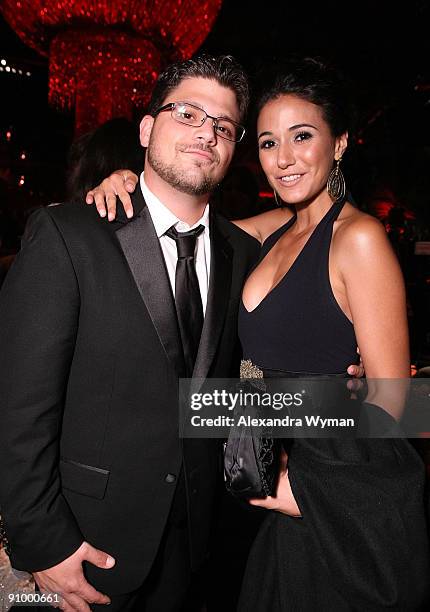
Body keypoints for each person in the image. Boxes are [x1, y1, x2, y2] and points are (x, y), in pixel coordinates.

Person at [87, 56, 429, 610]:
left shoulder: (359, 238)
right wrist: (130, 179)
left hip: (333, 491)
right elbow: (174, 219)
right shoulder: (271, 232)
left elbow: (398, 406)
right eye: (268, 143)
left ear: (339, 143)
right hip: (265, 476)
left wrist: (261, 436)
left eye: (302, 136)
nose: (284, 159)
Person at [0, 54, 260, 612]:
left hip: (199, 551)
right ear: (146, 129)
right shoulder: (69, 234)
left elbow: (230, 391)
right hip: (85, 548)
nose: (206, 134)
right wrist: (43, 541)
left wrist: (348, 387)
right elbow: (18, 407)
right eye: (187, 113)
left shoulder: (244, 253)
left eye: (223, 126)